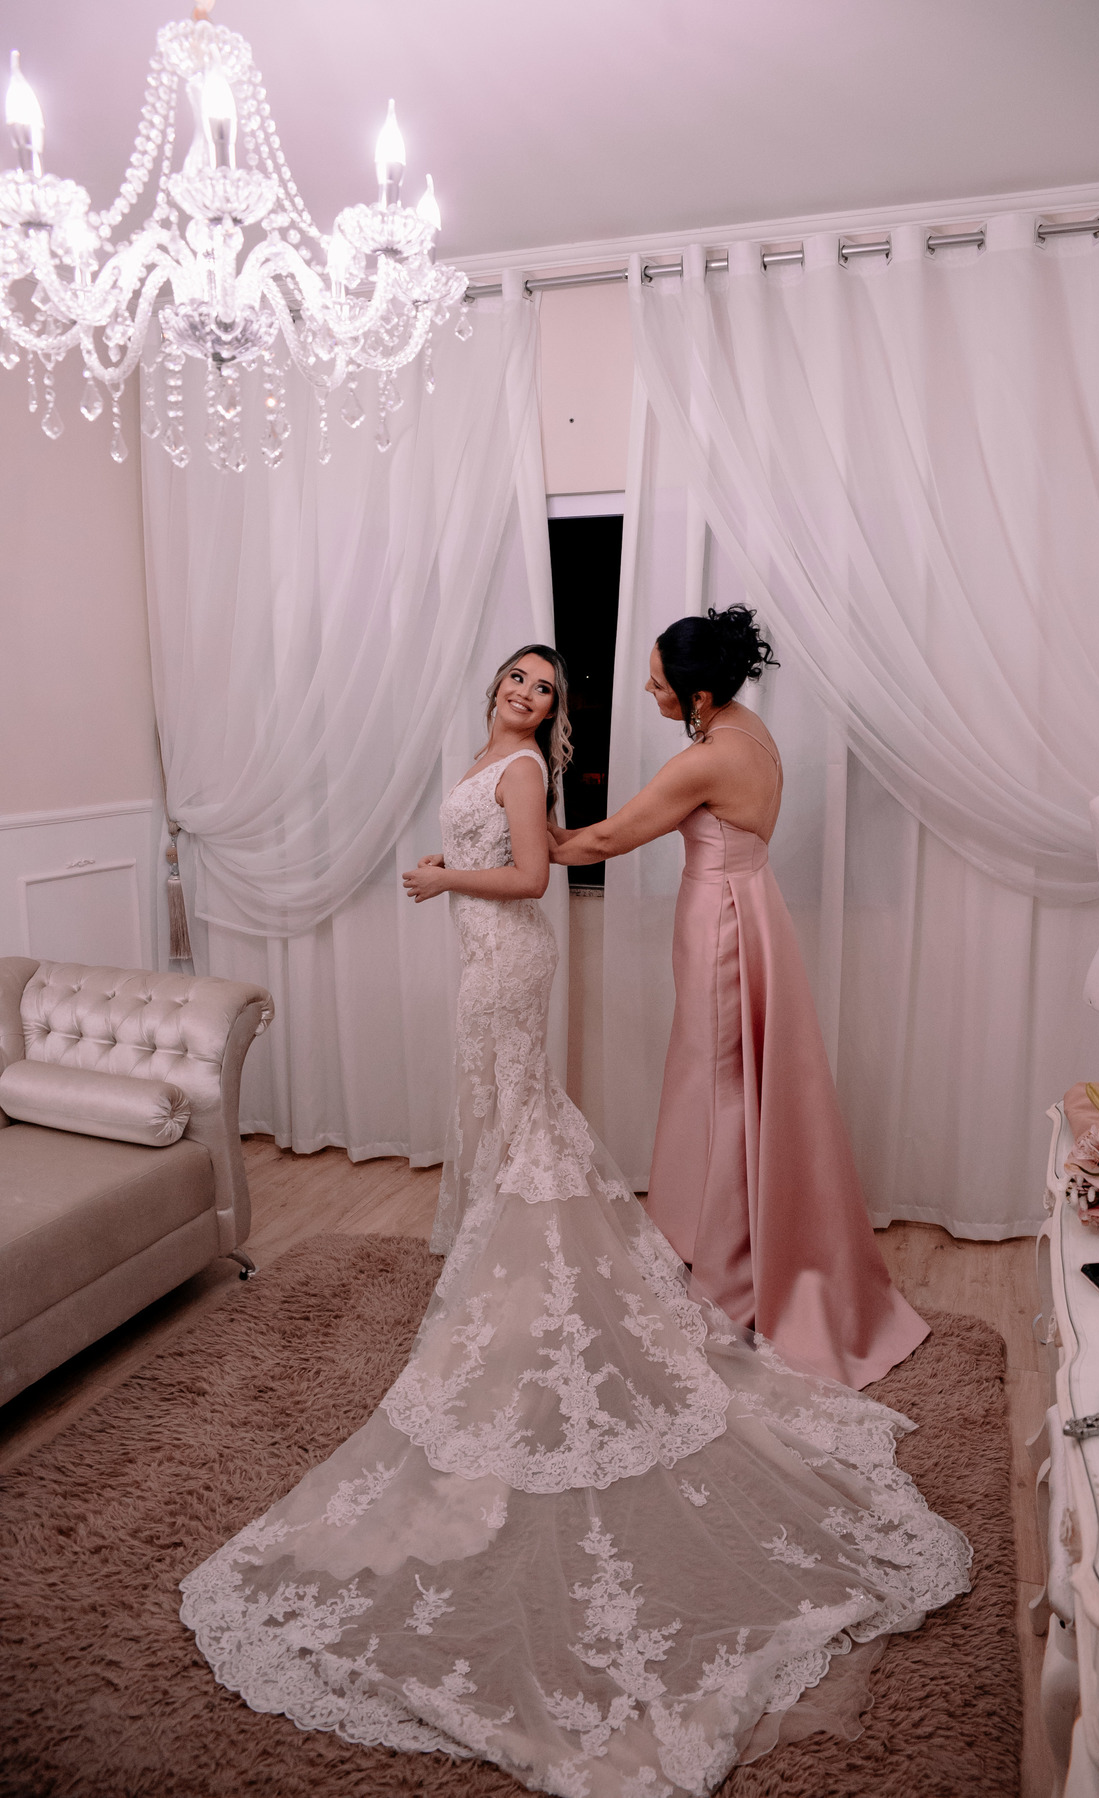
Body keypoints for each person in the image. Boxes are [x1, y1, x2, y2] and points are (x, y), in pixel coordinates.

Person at [180, 644, 969, 1798]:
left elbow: (561, 860)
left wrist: (463, 872)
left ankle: (590, 1270)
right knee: (547, 1110)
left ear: (692, 686)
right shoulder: (682, 739)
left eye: (553, 687)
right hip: (600, 935)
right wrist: (493, 858)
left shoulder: (575, 768)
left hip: (587, 940)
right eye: (521, 678)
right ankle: (555, 1250)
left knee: (575, 1111)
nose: (541, 693)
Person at [550, 606, 927, 1389]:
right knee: (727, 1083)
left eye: (659, 684)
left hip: (722, 921)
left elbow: (610, 838)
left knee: (718, 1087)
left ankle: (723, 1277)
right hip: (750, 908)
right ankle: (724, 1247)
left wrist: (528, 843)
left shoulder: (707, 759)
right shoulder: (749, 729)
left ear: (697, 695)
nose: (649, 693)